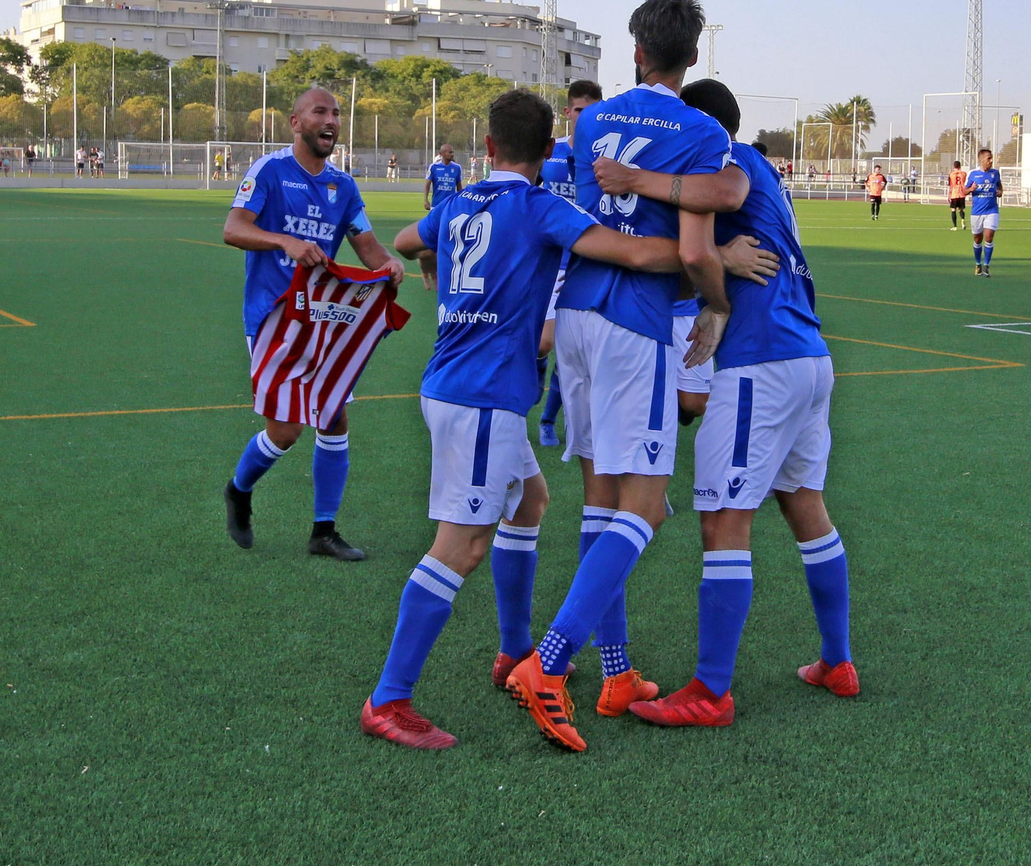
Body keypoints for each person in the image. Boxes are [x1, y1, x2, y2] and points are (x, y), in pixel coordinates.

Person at [362, 89, 690, 750]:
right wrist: (705, 257)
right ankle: (389, 699)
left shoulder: (458, 202)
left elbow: (401, 239)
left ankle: (514, 653)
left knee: (531, 503)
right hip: (484, 397)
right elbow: (626, 254)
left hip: (449, 384)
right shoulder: (542, 206)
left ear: (486, 148)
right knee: (462, 546)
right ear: (549, 151)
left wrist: (434, 258)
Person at [505, 0, 739, 751]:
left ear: (634, 51)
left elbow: (582, 217)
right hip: (635, 326)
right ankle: (548, 664)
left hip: (574, 311)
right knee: (645, 508)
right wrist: (713, 302)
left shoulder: (591, 121)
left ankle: (615, 671)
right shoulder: (702, 131)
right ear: (692, 57)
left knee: (602, 504)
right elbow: (699, 250)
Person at [609, 79, 855, 729]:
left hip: (761, 364)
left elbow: (718, 194)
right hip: (808, 356)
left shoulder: (729, 161)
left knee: (722, 519)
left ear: (698, 128)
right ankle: (838, 660)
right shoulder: (762, 166)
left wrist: (633, 176)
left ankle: (711, 691)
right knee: (805, 506)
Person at [219, 87, 404, 561]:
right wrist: (285, 241)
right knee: (285, 431)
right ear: (295, 122)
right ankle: (239, 489)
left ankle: (324, 531)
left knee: (334, 415)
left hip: (323, 318)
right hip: (274, 316)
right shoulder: (271, 170)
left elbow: (367, 246)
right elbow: (233, 228)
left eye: (337, 113)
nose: (332, 120)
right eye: (320, 111)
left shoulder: (343, 186)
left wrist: (389, 265)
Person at [537, 78, 603, 449]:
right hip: (546, 260)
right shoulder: (552, 153)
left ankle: (549, 421)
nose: (586, 117)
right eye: (580, 110)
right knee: (545, 343)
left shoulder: (604, 157)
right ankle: (538, 368)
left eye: (593, 110)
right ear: (567, 112)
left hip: (583, 264)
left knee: (575, 350)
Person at [420, 144, 464, 290]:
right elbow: (427, 184)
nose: (452, 153)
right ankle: (431, 269)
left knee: (450, 238)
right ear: (442, 153)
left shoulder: (456, 168)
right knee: (434, 240)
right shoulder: (434, 167)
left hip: (451, 208)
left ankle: (446, 271)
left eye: (453, 151)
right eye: (450, 152)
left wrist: (461, 203)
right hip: (436, 208)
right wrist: (426, 200)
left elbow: (459, 187)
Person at [966, 148, 1003, 277]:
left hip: (992, 210)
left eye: (991, 158)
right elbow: (964, 191)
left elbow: (999, 185)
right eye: (989, 158)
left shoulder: (995, 173)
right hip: (977, 212)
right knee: (977, 239)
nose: (991, 161)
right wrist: (971, 188)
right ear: (981, 160)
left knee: (989, 236)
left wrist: (1000, 192)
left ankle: (986, 265)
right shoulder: (973, 174)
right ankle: (978, 264)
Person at [947, 160, 969, 230]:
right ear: (960, 166)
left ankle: (955, 226)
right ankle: (962, 220)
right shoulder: (964, 174)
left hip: (954, 194)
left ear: (954, 166)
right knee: (961, 209)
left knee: (953, 210)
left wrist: (949, 195)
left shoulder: (951, 174)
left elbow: (950, 186)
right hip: (962, 194)